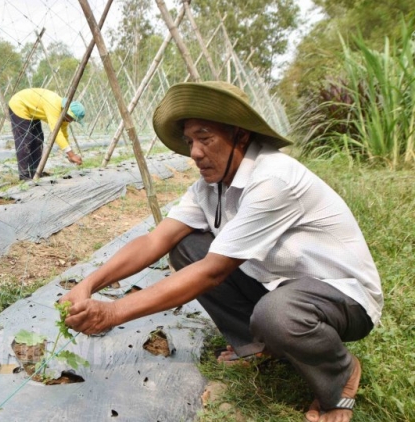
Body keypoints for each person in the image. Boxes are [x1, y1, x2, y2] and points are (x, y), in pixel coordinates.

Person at [61, 81, 382, 422]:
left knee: (276, 313)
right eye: (190, 141)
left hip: (341, 295)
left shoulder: (272, 179)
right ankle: (259, 345)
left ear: (240, 136)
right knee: (186, 246)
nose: (195, 152)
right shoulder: (209, 187)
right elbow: (156, 240)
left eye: (206, 137)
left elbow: (213, 271)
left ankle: (340, 375)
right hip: (282, 285)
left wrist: (112, 314)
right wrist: (89, 284)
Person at [8, 88, 85, 180]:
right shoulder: (54, 105)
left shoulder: (64, 116)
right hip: (19, 104)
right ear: (67, 113)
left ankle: (36, 172)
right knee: (25, 139)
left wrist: (70, 154)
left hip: (33, 111)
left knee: (38, 140)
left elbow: (63, 134)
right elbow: (56, 132)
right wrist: (71, 155)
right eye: (72, 118)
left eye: (74, 120)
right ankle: (23, 175)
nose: (71, 121)